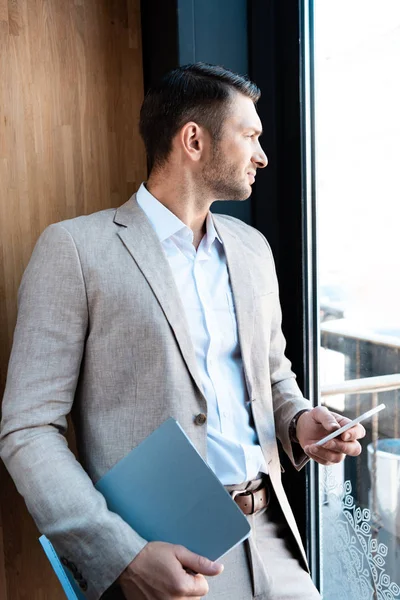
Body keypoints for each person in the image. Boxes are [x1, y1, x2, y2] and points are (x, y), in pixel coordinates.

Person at [0, 63, 365, 600]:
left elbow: (273, 378)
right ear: (193, 139)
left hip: (271, 536)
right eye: (251, 136)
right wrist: (121, 553)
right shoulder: (76, 250)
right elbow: (27, 431)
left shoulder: (252, 249)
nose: (262, 155)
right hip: (163, 554)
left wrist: (299, 423)